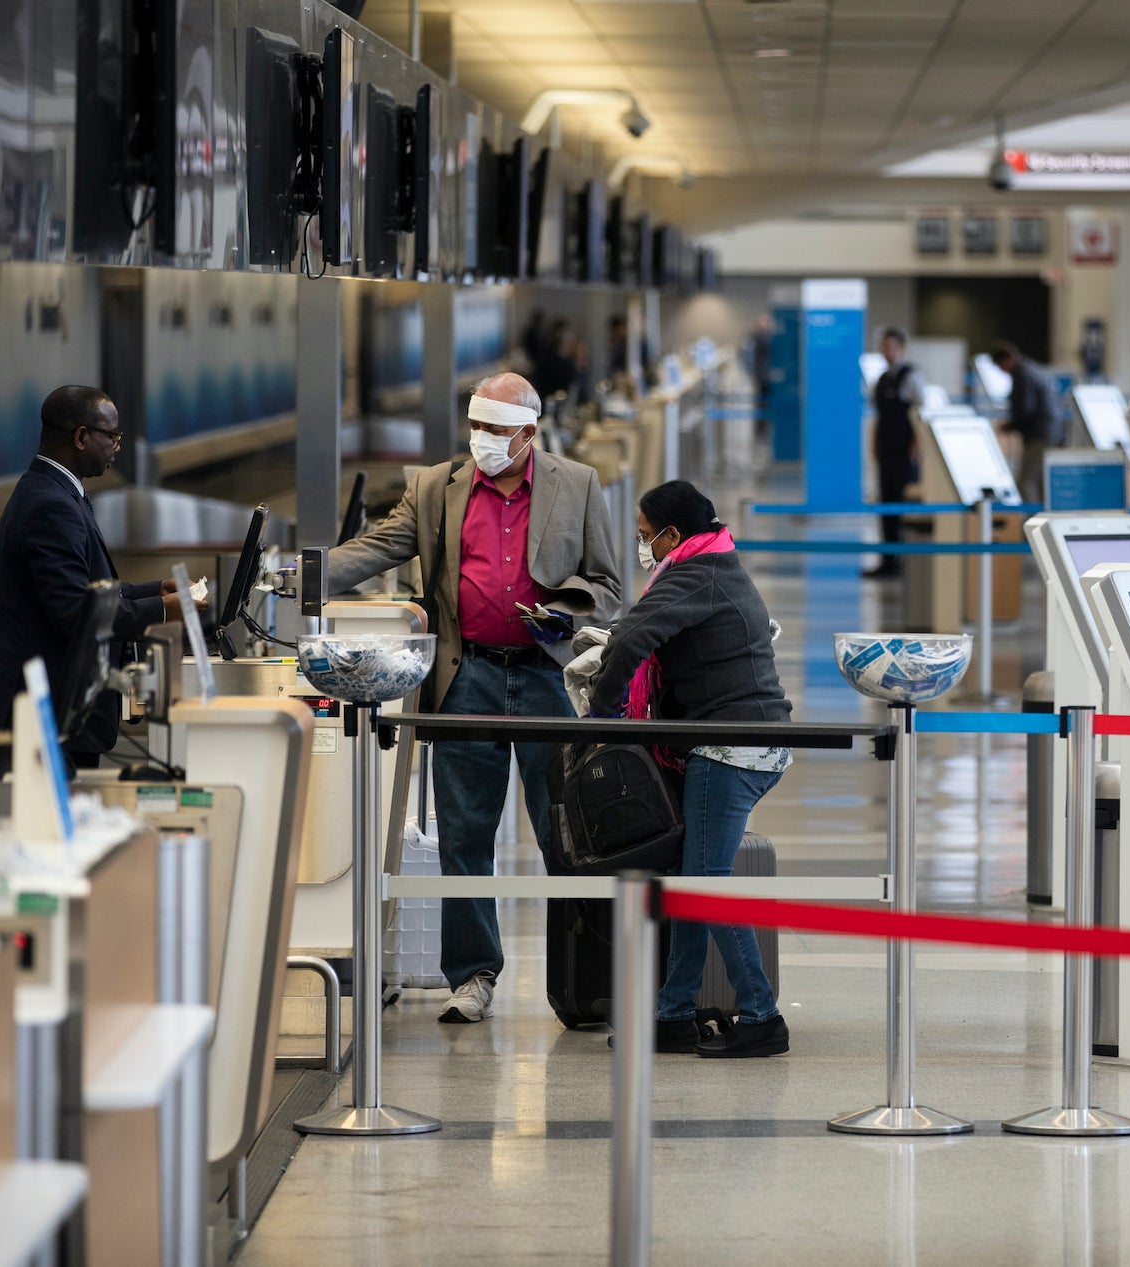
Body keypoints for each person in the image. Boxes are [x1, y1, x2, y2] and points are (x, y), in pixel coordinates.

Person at [327, 371, 621, 1024]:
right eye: (477, 427)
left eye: (498, 430)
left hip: (546, 676)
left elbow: (608, 583)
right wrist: (304, 575)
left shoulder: (576, 485)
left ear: (529, 433)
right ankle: (472, 973)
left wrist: (566, 614)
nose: (484, 440)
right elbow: (380, 546)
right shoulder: (437, 488)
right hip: (469, 677)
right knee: (465, 831)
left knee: (564, 830)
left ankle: (582, 976)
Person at [586, 481, 792, 1058]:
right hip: (746, 742)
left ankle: (761, 1017)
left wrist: (599, 717)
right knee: (692, 877)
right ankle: (672, 1014)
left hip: (731, 748)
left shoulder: (693, 574)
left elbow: (630, 638)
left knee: (702, 885)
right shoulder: (717, 562)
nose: (642, 546)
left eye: (645, 535)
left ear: (672, 534)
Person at [0, 385, 204, 769]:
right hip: (47, 717)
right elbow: (74, 612)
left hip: (61, 713)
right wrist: (162, 611)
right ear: (82, 437)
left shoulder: (59, 494)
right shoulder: (49, 506)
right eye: (112, 436)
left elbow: (89, 588)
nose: (117, 446)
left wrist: (154, 590)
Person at [866, 327, 924, 580]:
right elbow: (879, 417)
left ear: (901, 349)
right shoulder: (880, 380)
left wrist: (915, 447)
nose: (888, 351)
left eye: (892, 346)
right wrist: (875, 444)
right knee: (886, 505)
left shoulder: (911, 377)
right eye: (884, 346)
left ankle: (905, 562)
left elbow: (920, 416)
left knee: (904, 506)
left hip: (905, 453)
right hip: (886, 451)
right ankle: (887, 560)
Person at [992, 341, 1062, 498]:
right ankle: (1044, 518)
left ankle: (1032, 519)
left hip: (1040, 435)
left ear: (1006, 360)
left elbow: (1026, 410)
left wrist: (1009, 426)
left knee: (1027, 482)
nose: (1002, 371)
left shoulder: (1022, 376)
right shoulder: (1033, 369)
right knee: (1042, 481)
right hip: (1052, 432)